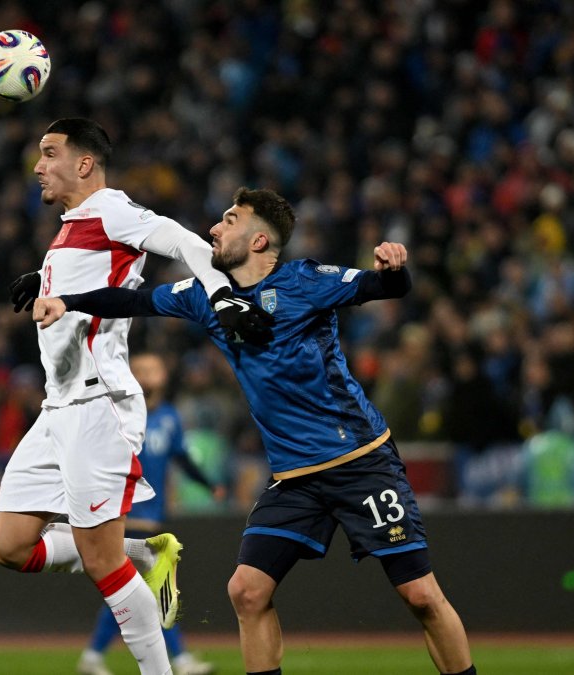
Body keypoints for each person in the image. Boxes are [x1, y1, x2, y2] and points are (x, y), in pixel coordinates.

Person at [34, 187, 476, 675]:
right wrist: (64, 299)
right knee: (246, 591)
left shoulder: (306, 280)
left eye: (229, 219)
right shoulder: (207, 295)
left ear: (260, 239)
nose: (214, 229)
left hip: (359, 461)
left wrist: (394, 266)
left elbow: (385, 288)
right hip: (295, 479)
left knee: (420, 595)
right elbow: (132, 299)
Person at [0, 119, 272, 675]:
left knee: (101, 564)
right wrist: (42, 279)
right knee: (10, 545)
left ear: (85, 164)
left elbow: (186, 242)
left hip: (99, 405)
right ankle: (145, 554)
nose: (38, 166)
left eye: (50, 154)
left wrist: (223, 298)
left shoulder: (111, 209)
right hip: (57, 409)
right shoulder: (72, 226)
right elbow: (90, 278)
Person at [78, 352, 223, 675]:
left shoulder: (170, 417)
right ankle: (180, 659)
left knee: (135, 591)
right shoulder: (117, 413)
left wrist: (208, 484)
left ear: (164, 375)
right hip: (122, 517)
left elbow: (182, 458)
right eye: (140, 369)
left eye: (153, 369)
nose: (147, 375)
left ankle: (93, 655)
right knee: (153, 590)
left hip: (152, 518)